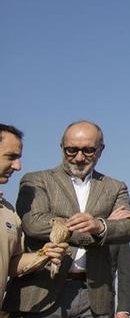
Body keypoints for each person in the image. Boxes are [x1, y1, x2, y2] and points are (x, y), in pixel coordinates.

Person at [3, 120, 130, 318]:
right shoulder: (36, 180)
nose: (79, 157)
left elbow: (127, 228)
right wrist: (100, 229)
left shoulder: (115, 187)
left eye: (88, 150)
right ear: (61, 147)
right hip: (41, 293)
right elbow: (34, 224)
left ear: (101, 149)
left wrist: (97, 224)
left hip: (94, 297)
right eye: (71, 150)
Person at [0, 124, 68, 302]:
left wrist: (45, 254)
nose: (18, 166)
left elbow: (11, 265)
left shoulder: (8, 212)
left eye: (19, 158)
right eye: (11, 157)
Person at [109, 244, 130, 318]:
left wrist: (123, 310)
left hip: (103, 301)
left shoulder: (121, 233)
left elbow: (124, 273)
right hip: (71, 293)